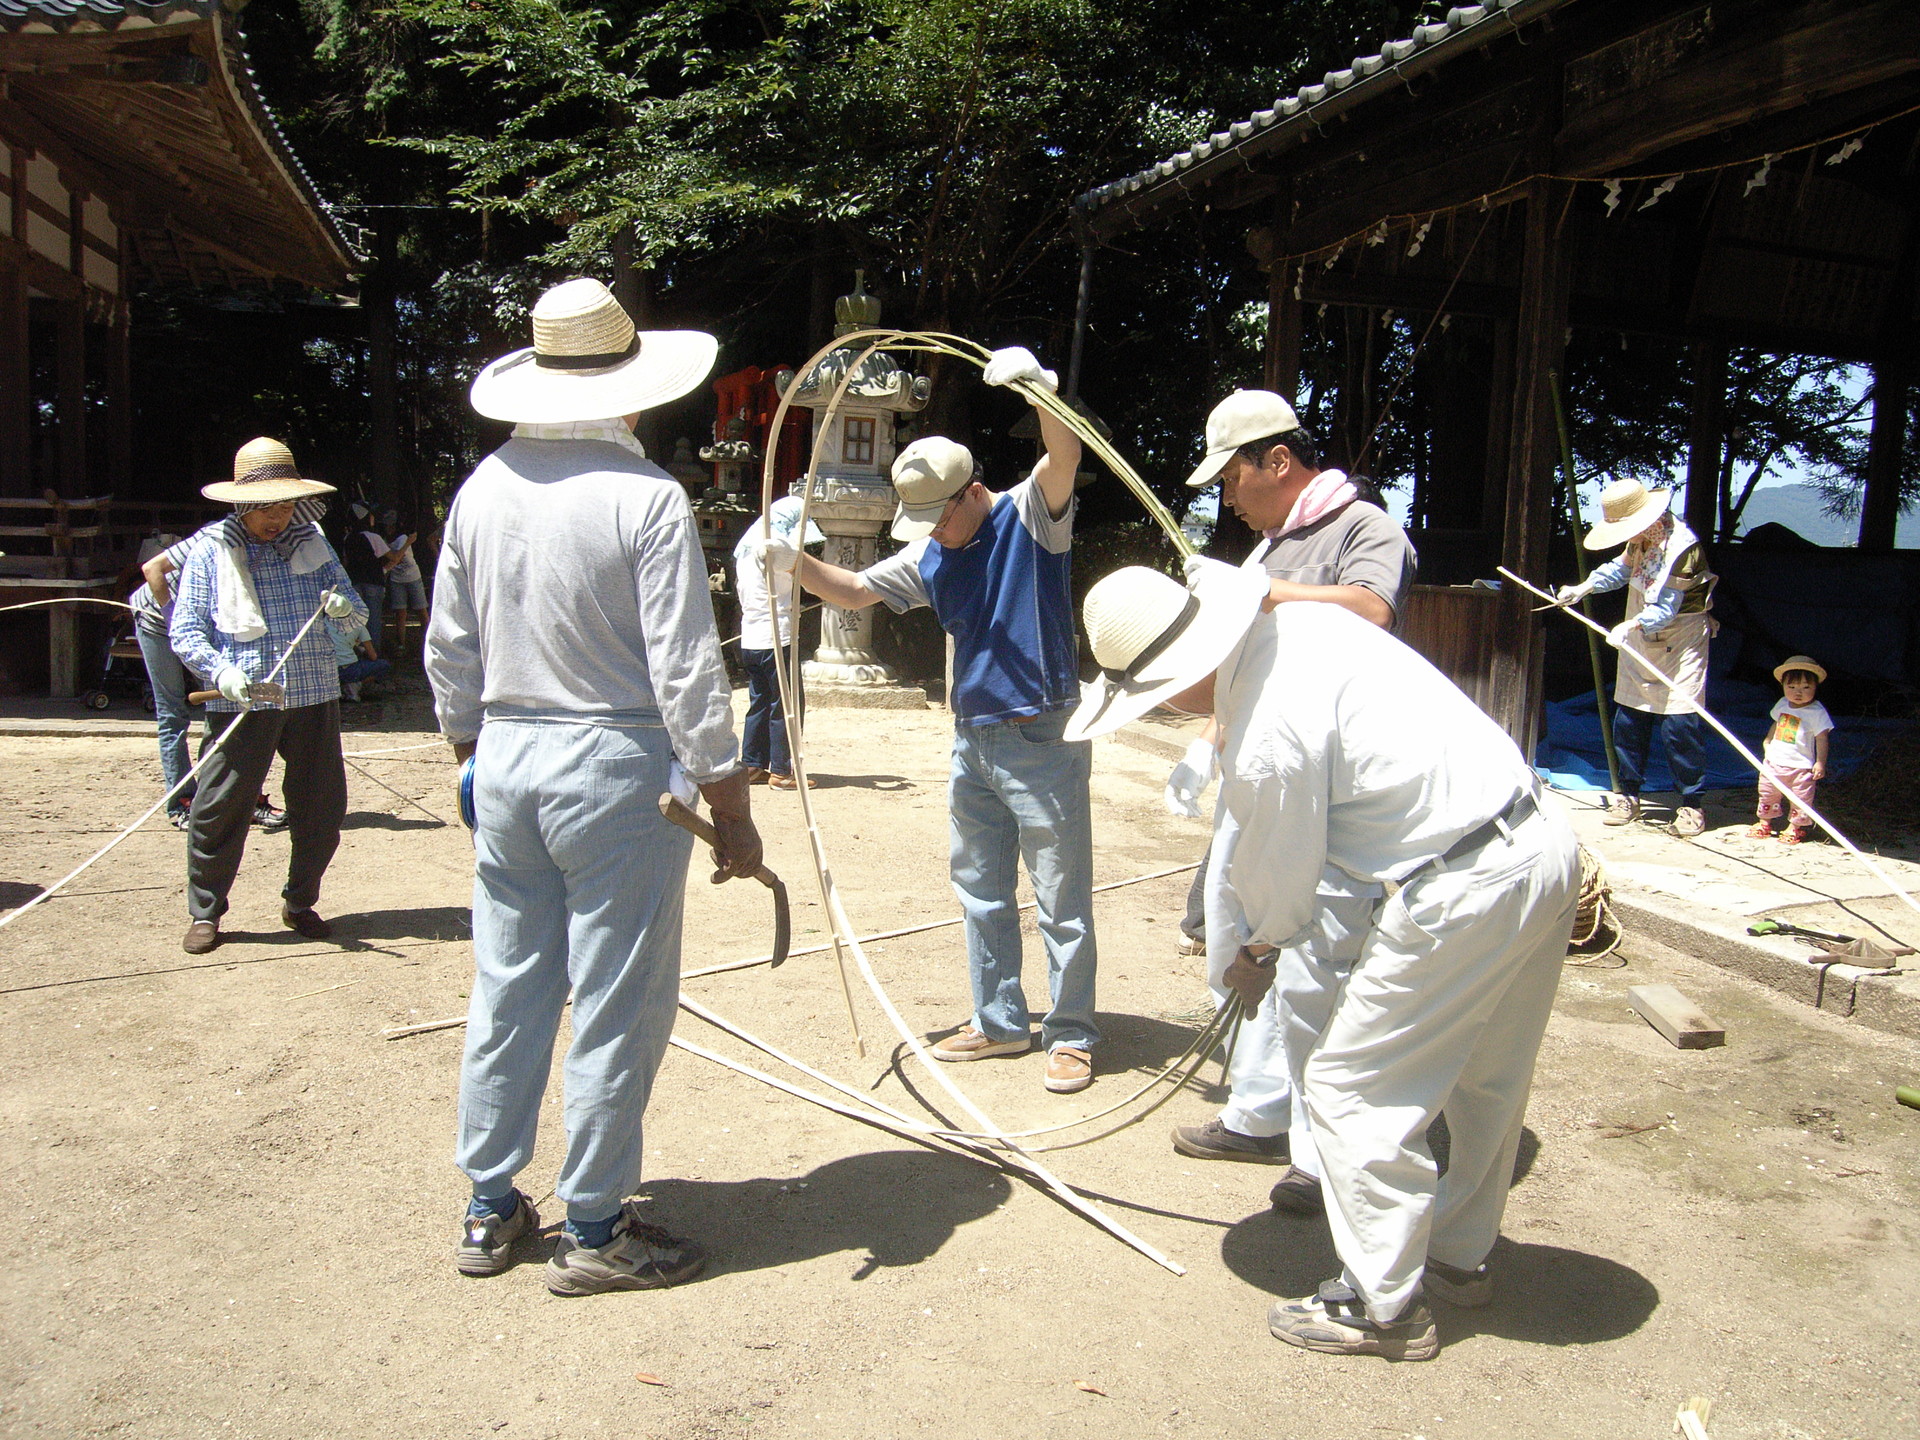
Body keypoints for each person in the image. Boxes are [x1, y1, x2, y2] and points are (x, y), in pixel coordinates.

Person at [1070, 563, 1578, 1361]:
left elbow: (1281, 880)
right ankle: (1458, 1251)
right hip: (1538, 840)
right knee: (1489, 1075)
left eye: (1158, 692)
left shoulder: (1265, 730)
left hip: (1459, 883)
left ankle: (1382, 1305)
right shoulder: (1304, 628)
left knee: (1350, 1086)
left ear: (1185, 670)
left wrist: (1256, 951)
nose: (1167, 706)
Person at [427, 276, 763, 1295]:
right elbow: (685, 669)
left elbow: (450, 648)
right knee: (617, 997)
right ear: (629, 390)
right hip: (615, 762)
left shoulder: (483, 488)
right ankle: (596, 1226)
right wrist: (731, 805)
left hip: (507, 754)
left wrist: (472, 756)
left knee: (510, 983)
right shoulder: (646, 497)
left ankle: (489, 1204)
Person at [773, 346, 1097, 1094]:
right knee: (980, 888)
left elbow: (1065, 454)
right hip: (972, 738)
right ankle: (999, 1021)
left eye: (939, 517)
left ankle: (1073, 1033)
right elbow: (855, 590)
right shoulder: (929, 553)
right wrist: (792, 563)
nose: (933, 531)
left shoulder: (1029, 514)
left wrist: (1037, 388)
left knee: (1061, 897)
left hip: (1041, 733)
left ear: (972, 492)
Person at [1165, 389, 1417, 1181]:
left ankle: (1319, 1154)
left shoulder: (1363, 527)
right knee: (1231, 935)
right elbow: (1241, 665)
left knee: (1314, 964)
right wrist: (1206, 743)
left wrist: (1265, 594)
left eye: (1231, 478)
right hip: (1258, 777)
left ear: (1277, 460)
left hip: (1331, 793)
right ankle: (1258, 1110)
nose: (1228, 498)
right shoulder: (1265, 550)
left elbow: (1371, 610)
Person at [169, 439, 366, 955]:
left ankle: (300, 902)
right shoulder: (210, 550)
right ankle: (206, 910)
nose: (276, 518)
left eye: (285, 506)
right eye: (265, 508)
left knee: (322, 806)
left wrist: (344, 611)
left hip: (313, 690)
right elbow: (185, 631)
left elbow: (357, 614)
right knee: (220, 806)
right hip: (243, 699)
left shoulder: (313, 545)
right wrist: (221, 671)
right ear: (242, 505)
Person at [1555, 479, 1716, 838]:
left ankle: (1692, 804)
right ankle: (1628, 794)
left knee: (1679, 725)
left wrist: (1630, 625)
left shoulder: (1683, 548)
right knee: (1629, 718)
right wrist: (1584, 587)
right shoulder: (1639, 538)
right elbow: (1621, 569)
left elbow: (1666, 608)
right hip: (1640, 634)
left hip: (1681, 638)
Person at [135, 531, 294, 834]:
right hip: (157, 622)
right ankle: (182, 803)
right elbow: (152, 569)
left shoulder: (275, 551)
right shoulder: (215, 538)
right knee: (172, 714)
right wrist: (174, 619)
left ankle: (244, 799)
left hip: (208, 627)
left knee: (238, 710)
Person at [733, 494, 823, 789]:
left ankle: (752, 764)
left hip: (751, 638)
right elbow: (796, 566)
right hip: (776, 637)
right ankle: (782, 771)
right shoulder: (774, 546)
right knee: (786, 705)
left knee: (759, 702)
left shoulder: (746, 548)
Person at [1750, 654, 1832, 844]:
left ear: (1815, 687)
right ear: (1783, 686)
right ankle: (1764, 823)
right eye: (1792, 687)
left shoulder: (1817, 712)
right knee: (1767, 792)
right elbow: (1776, 723)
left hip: (1801, 766)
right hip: (1774, 762)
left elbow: (1822, 738)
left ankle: (1795, 828)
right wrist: (1768, 741)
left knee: (1801, 798)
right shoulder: (1782, 704)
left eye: (1805, 687)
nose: (1798, 692)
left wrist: (1820, 762)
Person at [338, 505, 394, 649]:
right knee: (374, 618)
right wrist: (407, 543)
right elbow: (392, 557)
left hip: (355, 582)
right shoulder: (373, 537)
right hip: (374, 582)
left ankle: (360, 650)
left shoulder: (348, 538)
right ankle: (375, 652)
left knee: (357, 620)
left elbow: (345, 562)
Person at [383, 510, 429, 657]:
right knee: (400, 612)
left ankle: (429, 641)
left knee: (421, 609)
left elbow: (398, 557)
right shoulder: (385, 539)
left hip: (413, 577)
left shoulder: (402, 538)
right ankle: (401, 643)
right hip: (397, 579)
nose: (387, 528)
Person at [333, 616, 392, 701]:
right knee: (383, 665)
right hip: (350, 669)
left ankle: (342, 687)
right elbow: (373, 656)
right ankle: (355, 685)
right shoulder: (358, 625)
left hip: (330, 670)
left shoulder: (324, 624)